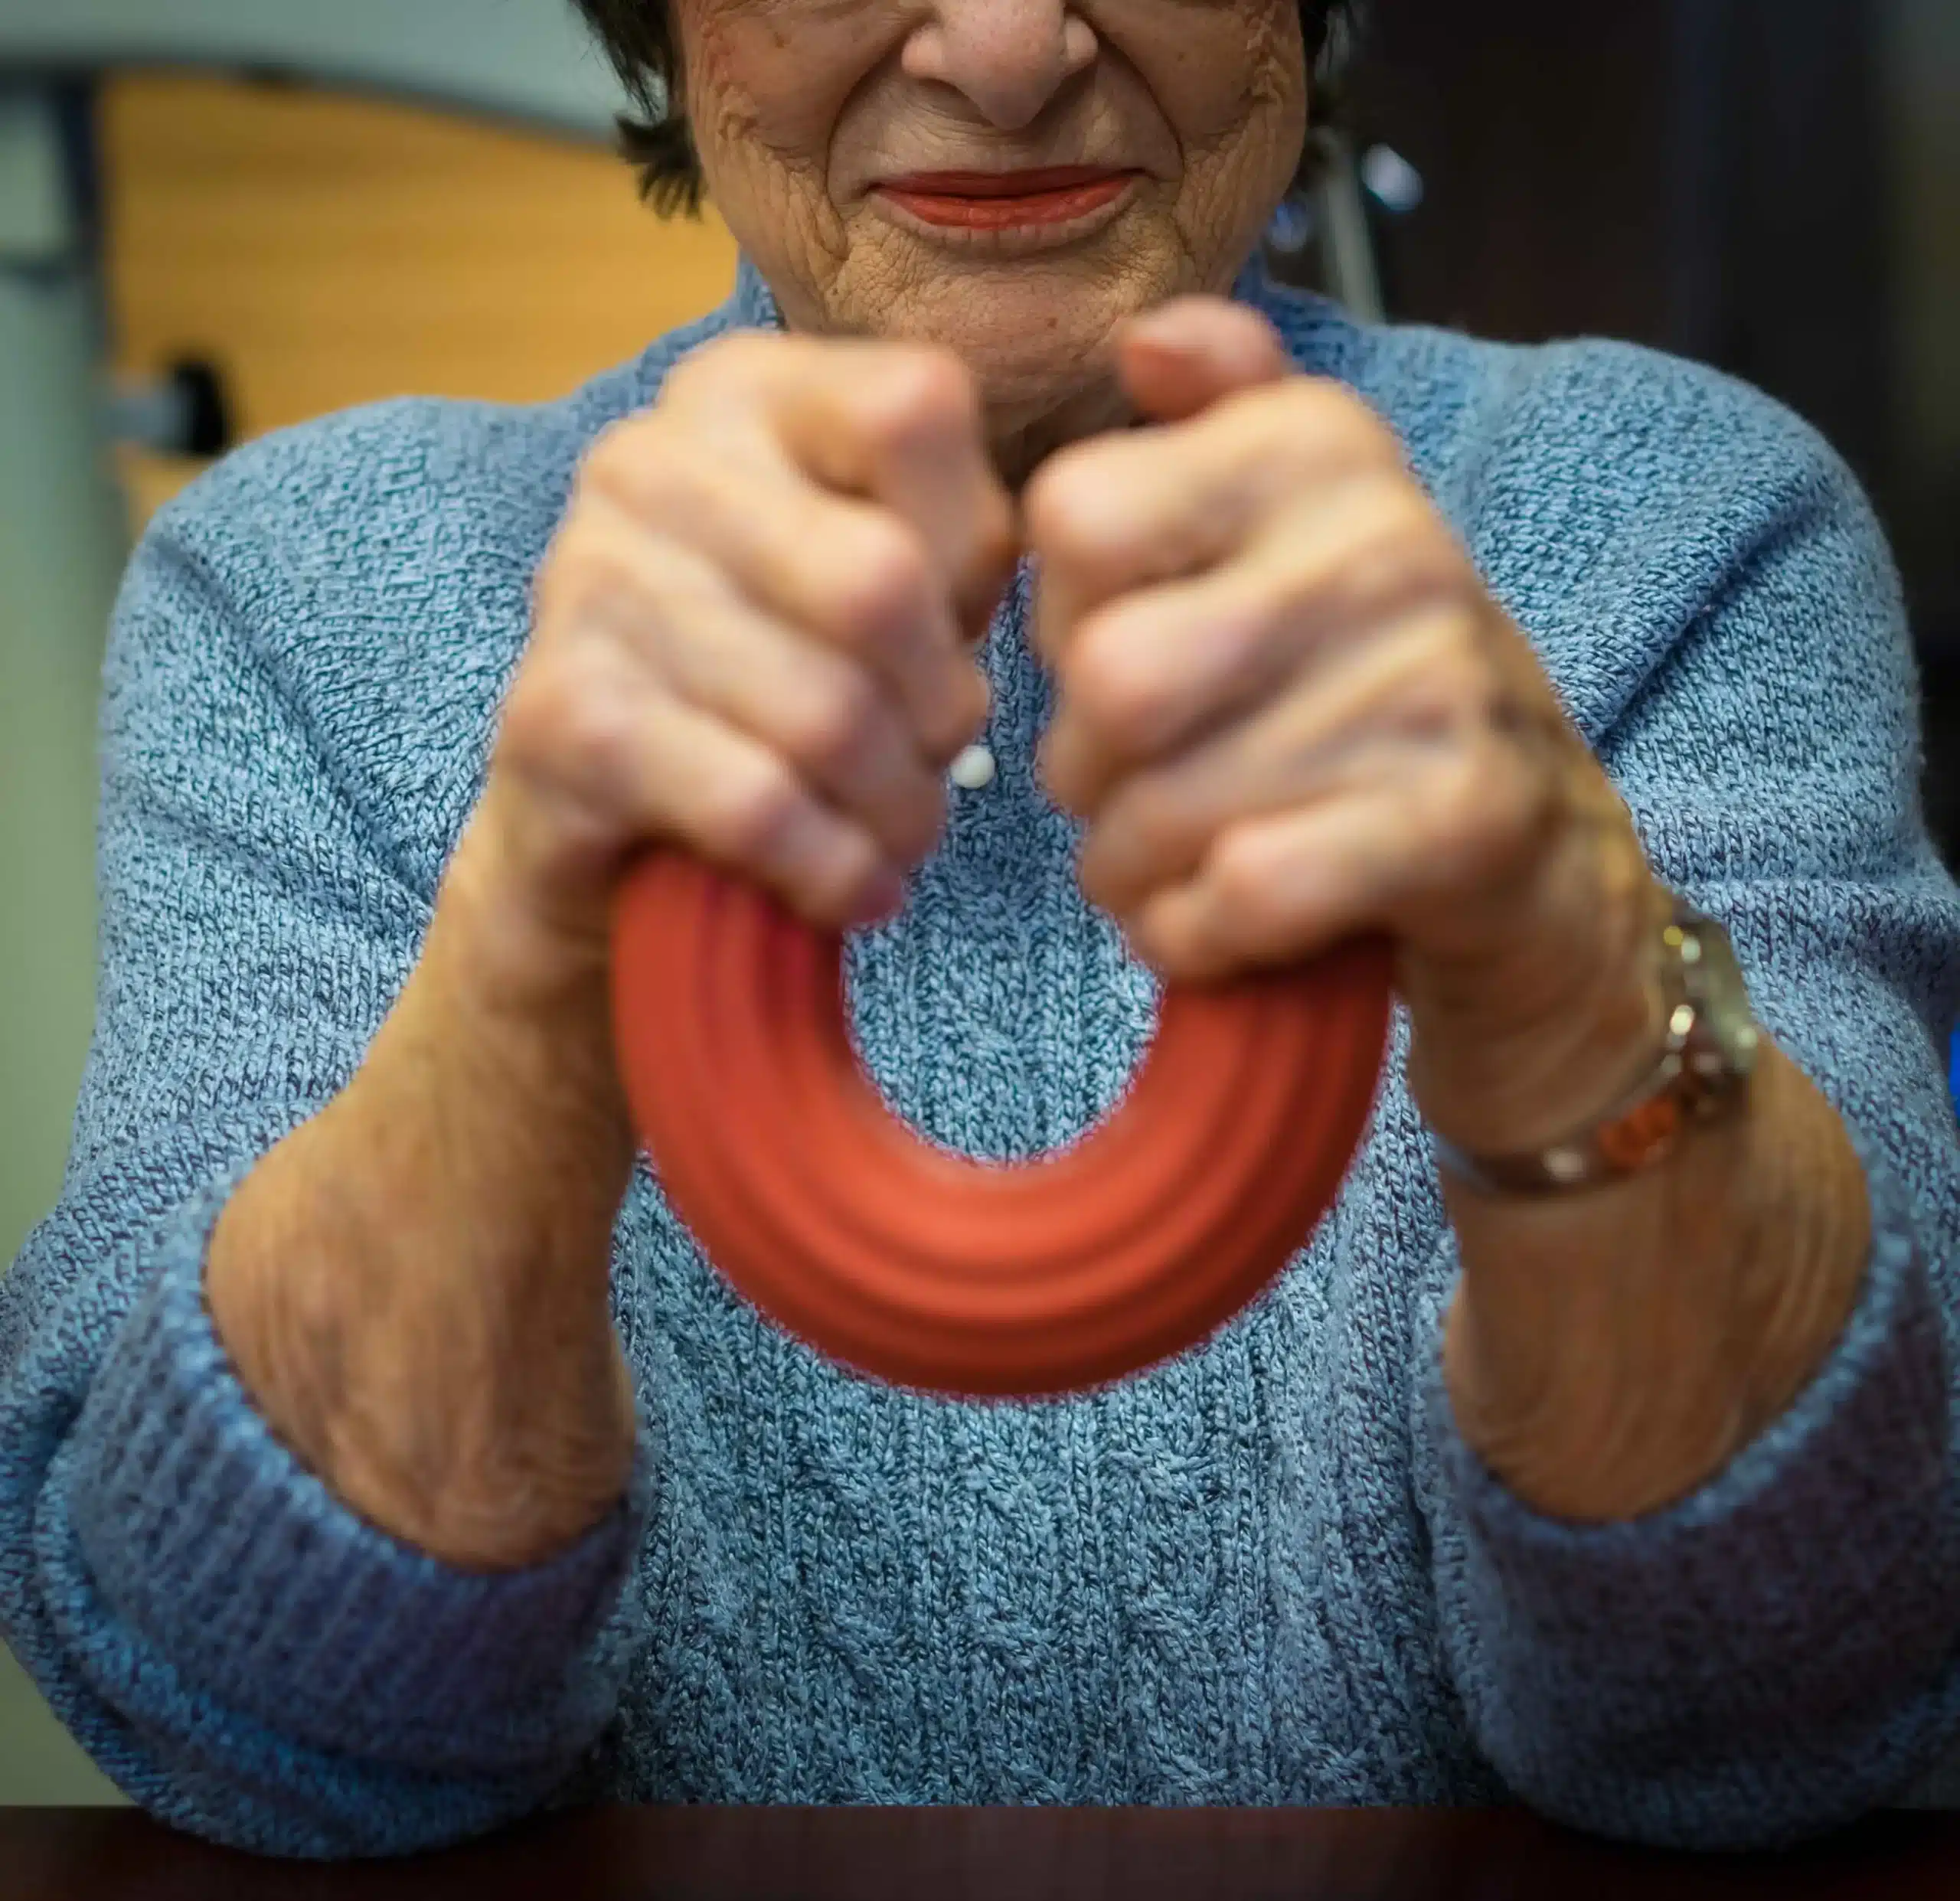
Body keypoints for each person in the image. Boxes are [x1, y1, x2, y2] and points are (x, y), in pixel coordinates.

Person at [2, 0, 1958, 1861]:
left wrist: (1560, 969)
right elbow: (235, 1710)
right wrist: (530, 953)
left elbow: (1784, 1699)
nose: (1010, 46)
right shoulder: (309, 592)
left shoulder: (1680, 534)